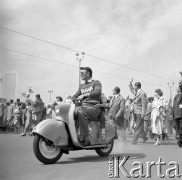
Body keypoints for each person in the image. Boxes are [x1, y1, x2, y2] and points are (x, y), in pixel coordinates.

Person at [72, 67, 102, 146]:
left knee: (80, 111)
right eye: (80, 73)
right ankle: (72, 134)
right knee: (70, 113)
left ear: (88, 73)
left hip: (93, 107)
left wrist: (85, 94)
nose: (80, 74)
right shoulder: (81, 86)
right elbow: (75, 95)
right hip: (83, 107)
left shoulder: (96, 83)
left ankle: (85, 138)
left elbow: (97, 92)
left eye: (82, 73)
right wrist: (69, 99)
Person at [129, 79, 148, 144]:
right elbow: (131, 90)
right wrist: (130, 83)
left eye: (134, 86)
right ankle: (144, 138)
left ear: (137, 86)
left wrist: (143, 113)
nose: (134, 88)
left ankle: (135, 140)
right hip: (135, 111)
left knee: (137, 126)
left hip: (140, 113)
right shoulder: (136, 91)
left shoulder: (142, 93)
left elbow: (144, 104)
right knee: (140, 126)